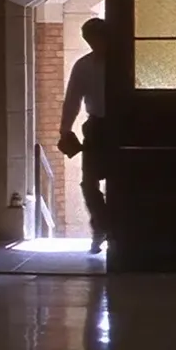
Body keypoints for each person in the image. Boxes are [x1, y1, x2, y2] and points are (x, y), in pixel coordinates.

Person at [59, 17, 111, 254]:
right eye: (90, 40)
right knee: (89, 183)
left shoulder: (123, 63)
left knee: (120, 181)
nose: (94, 44)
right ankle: (103, 225)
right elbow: (72, 100)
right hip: (97, 127)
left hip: (120, 126)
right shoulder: (83, 66)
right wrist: (65, 130)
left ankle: (106, 227)